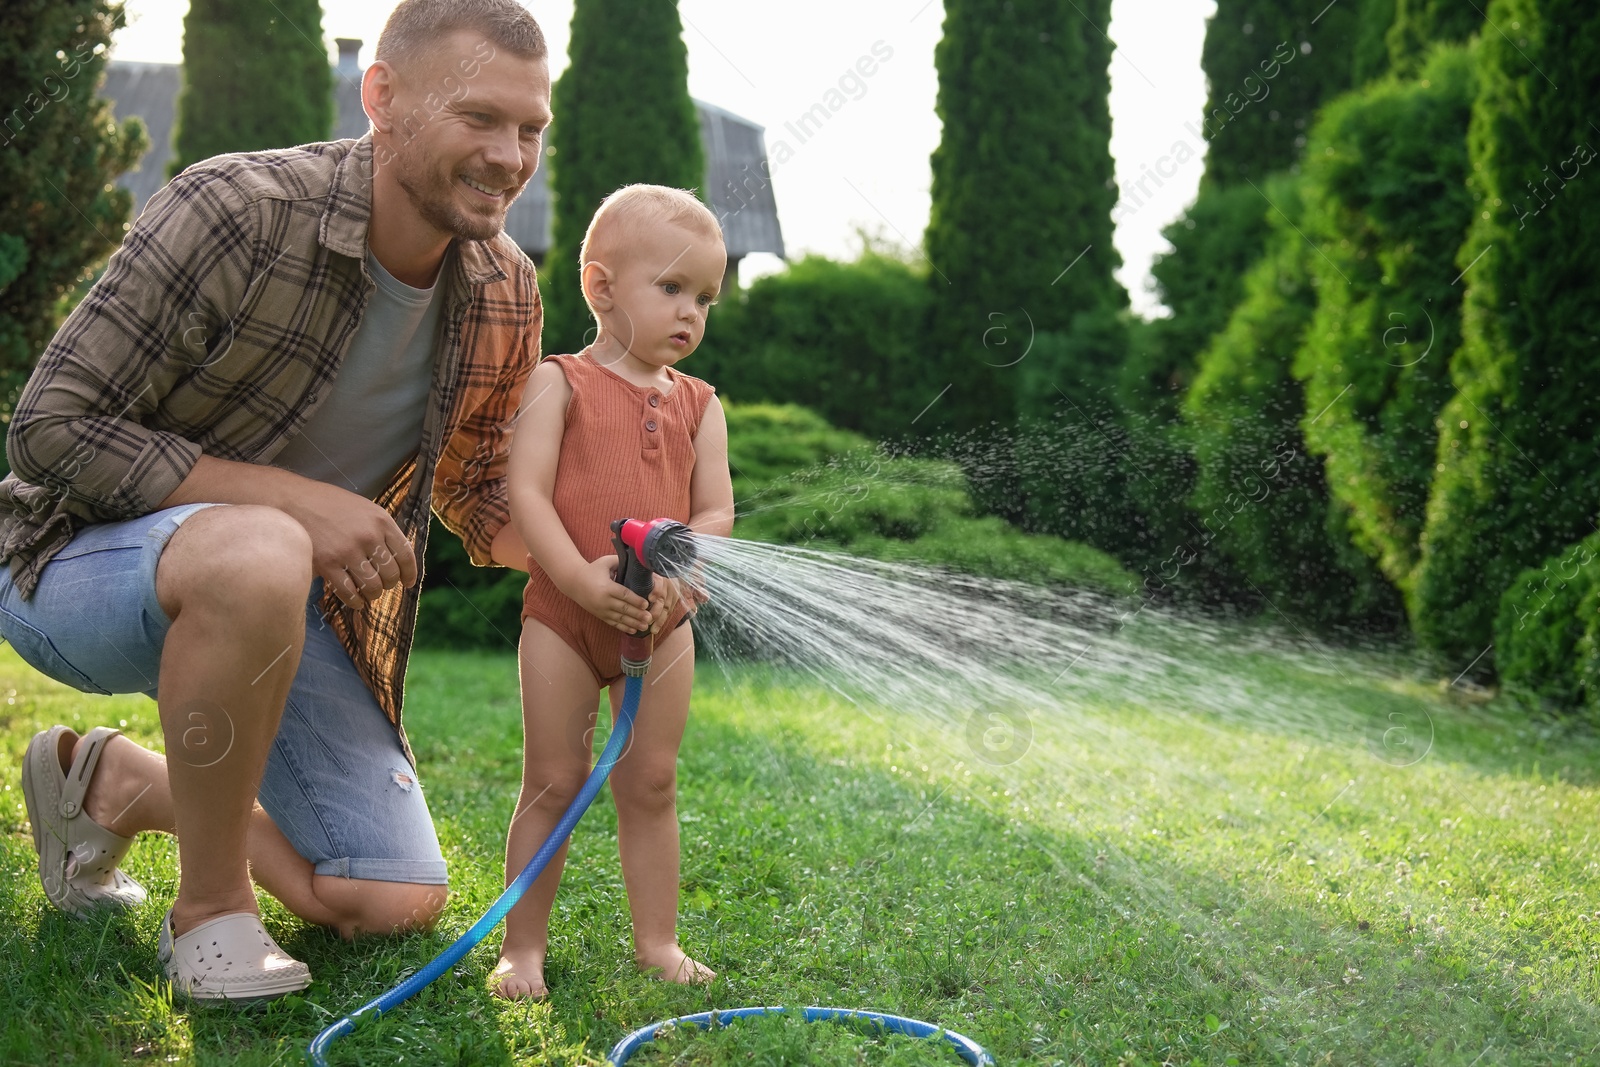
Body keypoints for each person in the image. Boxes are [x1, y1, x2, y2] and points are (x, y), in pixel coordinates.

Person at [0, 0, 615, 1001]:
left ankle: (108, 781)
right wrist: (291, 504)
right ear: (383, 97)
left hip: (279, 608)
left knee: (387, 892)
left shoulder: (503, 288)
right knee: (261, 547)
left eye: (531, 129)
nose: (510, 155)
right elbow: (50, 429)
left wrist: (604, 556)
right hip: (72, 566)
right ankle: (209, 915)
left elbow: (473, 497)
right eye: (481, 119)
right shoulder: (236, 209)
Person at [490, 185, 735, 1000]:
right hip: (565, 617)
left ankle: (657, 942)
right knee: (553, 778)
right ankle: (521, 947)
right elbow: (526, 495)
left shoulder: (702, 405)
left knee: (651, 779)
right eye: (671, 289)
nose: (690, 313)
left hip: (663, 623)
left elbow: (715, 512)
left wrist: (684, 585)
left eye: (705, 297)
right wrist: (574, 581)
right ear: (600, 288)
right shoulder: (557, 382)